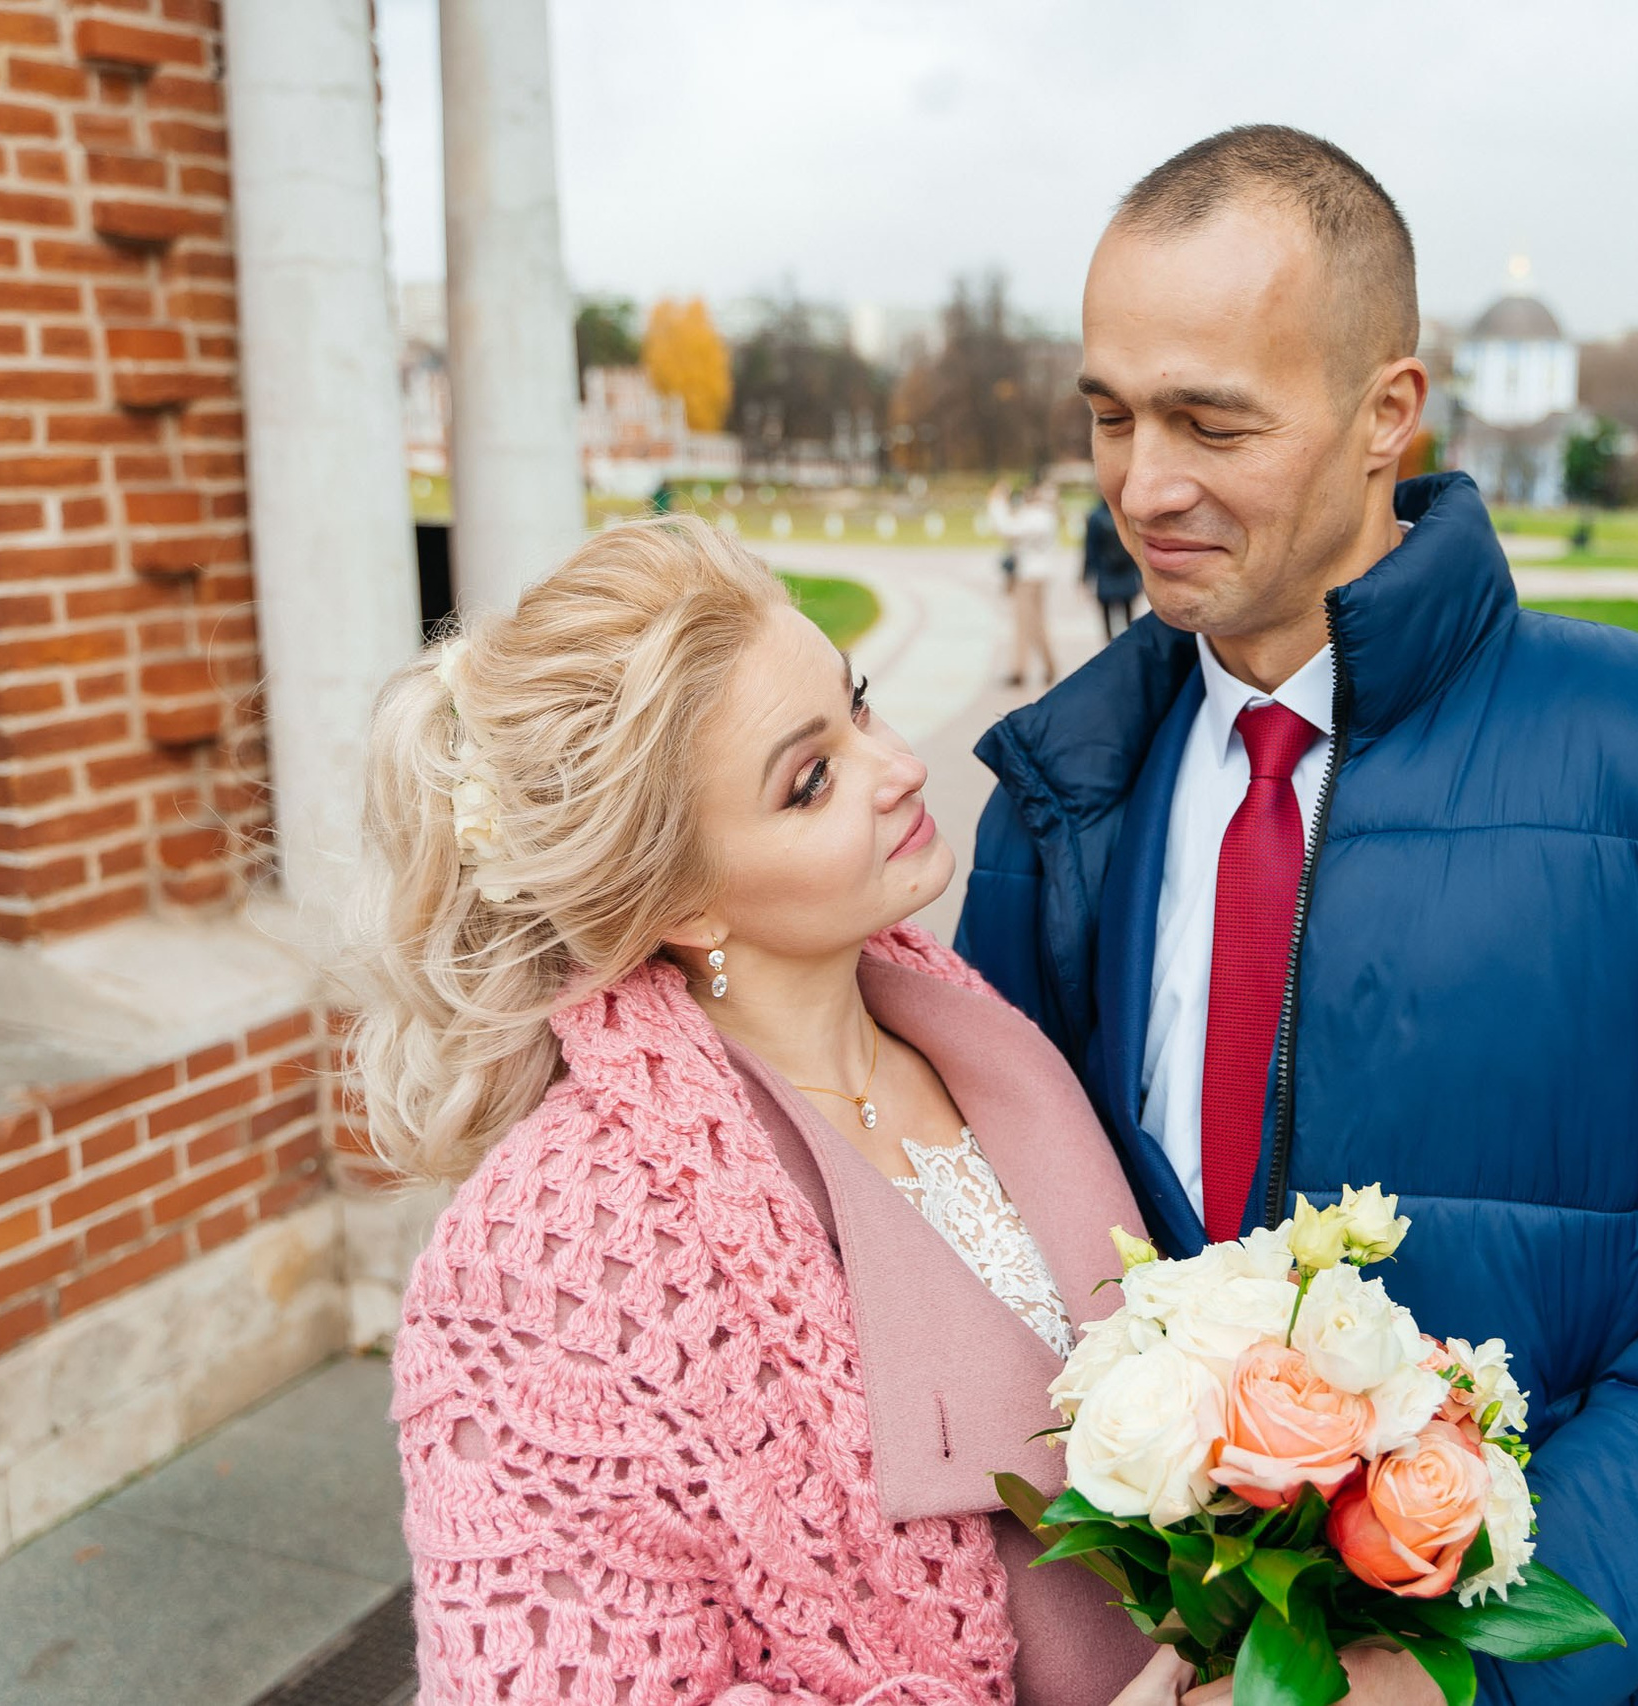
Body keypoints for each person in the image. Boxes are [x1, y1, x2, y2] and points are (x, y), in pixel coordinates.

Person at [956, 126, 1638, 1706]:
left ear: (1388, 414)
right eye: (1110, 415)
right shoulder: (1053, 795)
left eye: (1213, 423)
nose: (1144, 485)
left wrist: (1457, 1660)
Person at [351, 516, 1183, 1706]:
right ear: (682, 898)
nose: (897, 766)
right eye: (810, 779)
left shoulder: (967, 1025)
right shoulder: (540, 1266)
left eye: (858, 705)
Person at [992, 479, 1064, 688]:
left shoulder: (1036, 516)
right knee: (1034, 622)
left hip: (1028, 577)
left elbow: (1006, 528)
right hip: (1039, 575)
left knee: (1025, 623)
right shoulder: (1046, 515)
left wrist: (997, 501)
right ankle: (1043, 666)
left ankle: (1021, 670)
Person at [1084, 495, 1144, 639]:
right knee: (1129, 613)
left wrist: (1086, 576)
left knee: (1106, 617)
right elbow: (1137, 546)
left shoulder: (1095, 516)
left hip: (1106, 573)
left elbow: (1090, 549)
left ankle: (1110, 645)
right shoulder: (1127, 515)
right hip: (1127, 573)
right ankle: (1130, 645)